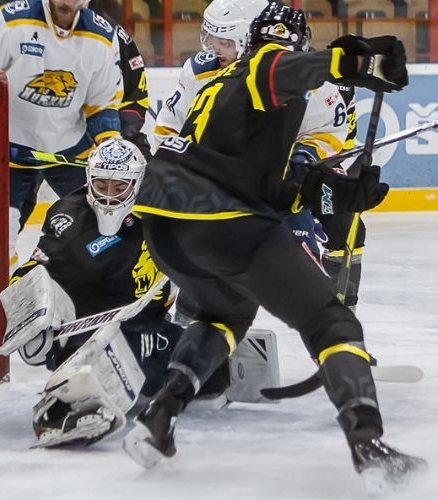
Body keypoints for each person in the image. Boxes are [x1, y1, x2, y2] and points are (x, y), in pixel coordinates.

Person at [123, 3, 425, 489]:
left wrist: (338, 192)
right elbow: (281, 66)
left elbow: (273, 186)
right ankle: (368, 443)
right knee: (331, 320)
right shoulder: (263, 69)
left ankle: (158, 418)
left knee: (225, 316)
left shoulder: (223, 87)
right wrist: (354, 63)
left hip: (164, 224)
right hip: (221, 220)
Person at [152, 0, 368, 309]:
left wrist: (303, 159)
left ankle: (341, 310)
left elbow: (331, 136)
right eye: (210, 38)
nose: (214, 49)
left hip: (284, 182)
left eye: (224, 41)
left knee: (345, 218)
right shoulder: (201, 72)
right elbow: (168, 132)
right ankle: (193, 313)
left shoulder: (307, 75)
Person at [4, 137, 179, 447]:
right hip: (90, 332)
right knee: (104, 366)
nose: (109, 196)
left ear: (137, 183)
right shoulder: (70, 221)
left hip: (149, 325)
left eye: (119, 187)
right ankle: (63, 407)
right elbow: (32, 274)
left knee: (211, 373)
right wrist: (32, 323)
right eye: (101, 185)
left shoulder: (163, 208)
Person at [0, 0, 124, 261]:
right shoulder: (11, 21)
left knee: (103, 221)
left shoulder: (102, 37)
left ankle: (92, 292)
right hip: (10, 150)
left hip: (70, 151)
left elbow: (102, 103)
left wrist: (109, 141)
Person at [89, 0, 152, 155]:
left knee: (146, 167)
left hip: (108, 135)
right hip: (46, 137)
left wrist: (116, 137)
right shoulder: (28, 29)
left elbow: (136, 98)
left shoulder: (113, 34)